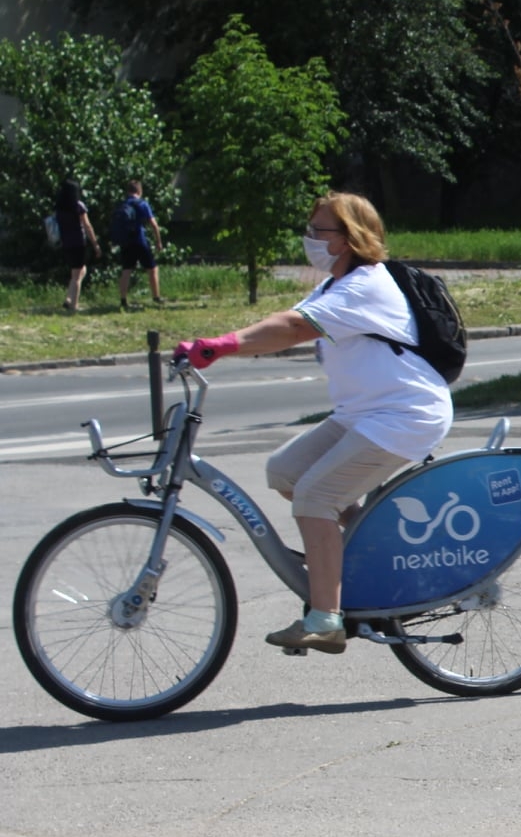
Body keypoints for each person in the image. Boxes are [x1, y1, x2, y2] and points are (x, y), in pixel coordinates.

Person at [174, 192, 453, 653]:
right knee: (285, 472)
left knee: (316, 495)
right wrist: (226, 344)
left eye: (318, 231)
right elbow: (284, 325)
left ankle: (325, 617)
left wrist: (221, 344)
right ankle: (375, 552)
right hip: (364, 414)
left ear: (349, 238)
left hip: (404, 416)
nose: (310, 239)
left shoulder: (365, 284)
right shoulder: (333, 287)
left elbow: (293, 327)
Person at [113, 178, 165, 311]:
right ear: (139, 190)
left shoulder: (122, 204)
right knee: (152, 268)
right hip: (140, 240)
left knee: (126, 270)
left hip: (126, 242)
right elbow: (154, 224)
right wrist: (158, 241)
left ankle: (123, 300)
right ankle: (156, 297)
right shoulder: (142, 204)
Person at [53, 179, 97, 313]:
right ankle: (74, 305)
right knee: (78, 275)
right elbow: (87, 225)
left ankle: (68, 299)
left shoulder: (59, 206)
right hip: (78, 242)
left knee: (78, 271)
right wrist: (95, 243)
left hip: (66, 242)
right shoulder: (78, 206)